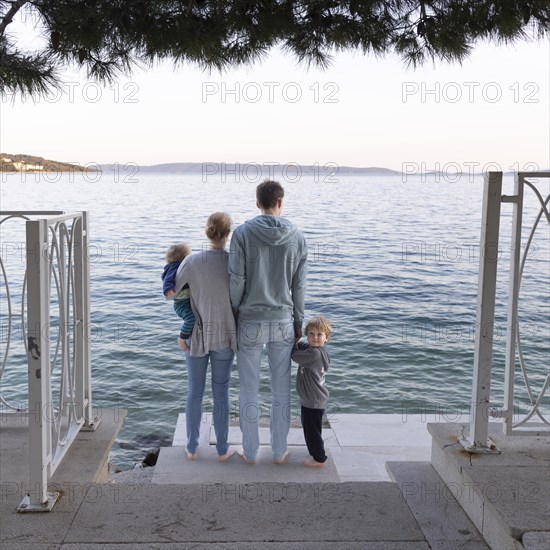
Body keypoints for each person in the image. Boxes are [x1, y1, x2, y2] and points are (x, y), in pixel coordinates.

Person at [229, 180, 307, 464]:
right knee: (281, 390)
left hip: (249, 320)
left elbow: (236, 280)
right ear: (280, 202)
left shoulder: (242, 234)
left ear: (257, 202)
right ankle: (278, 450)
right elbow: (299, 287)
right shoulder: (297, 237)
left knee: (248, 388)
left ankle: (250, 452)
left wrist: (235, 312)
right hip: (284, 321)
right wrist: (299, 319)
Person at [173, 212, 237, 461]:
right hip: (225, 335)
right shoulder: (235, 262)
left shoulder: (191, 261)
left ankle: (191, 448)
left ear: (207, 231)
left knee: (194, 392)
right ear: (228, 233)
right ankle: (222, 450)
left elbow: (172, 292)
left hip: (197, 335)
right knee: (221, 392)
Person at [291, 316, 332, 467]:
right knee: (313, 428)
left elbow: (295, 355)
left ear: (326, 338)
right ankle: (315, 451)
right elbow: (305, 347)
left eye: (319, 334)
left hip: (312, 400)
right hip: (316, 399)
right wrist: (300, 343)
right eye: (311, 334)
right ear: (306, 335)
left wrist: (294, 343)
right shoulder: (320, 351)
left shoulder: (313, 354)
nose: (315, 337)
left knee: (311, 431)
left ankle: (319, 459)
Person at [162, 243, 195, 352]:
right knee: (191, 319)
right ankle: (182, 339)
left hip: (186, 301)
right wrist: (168, 289)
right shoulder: (175, 266)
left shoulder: (181, 267)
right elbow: (168, 280)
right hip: (181, 304)